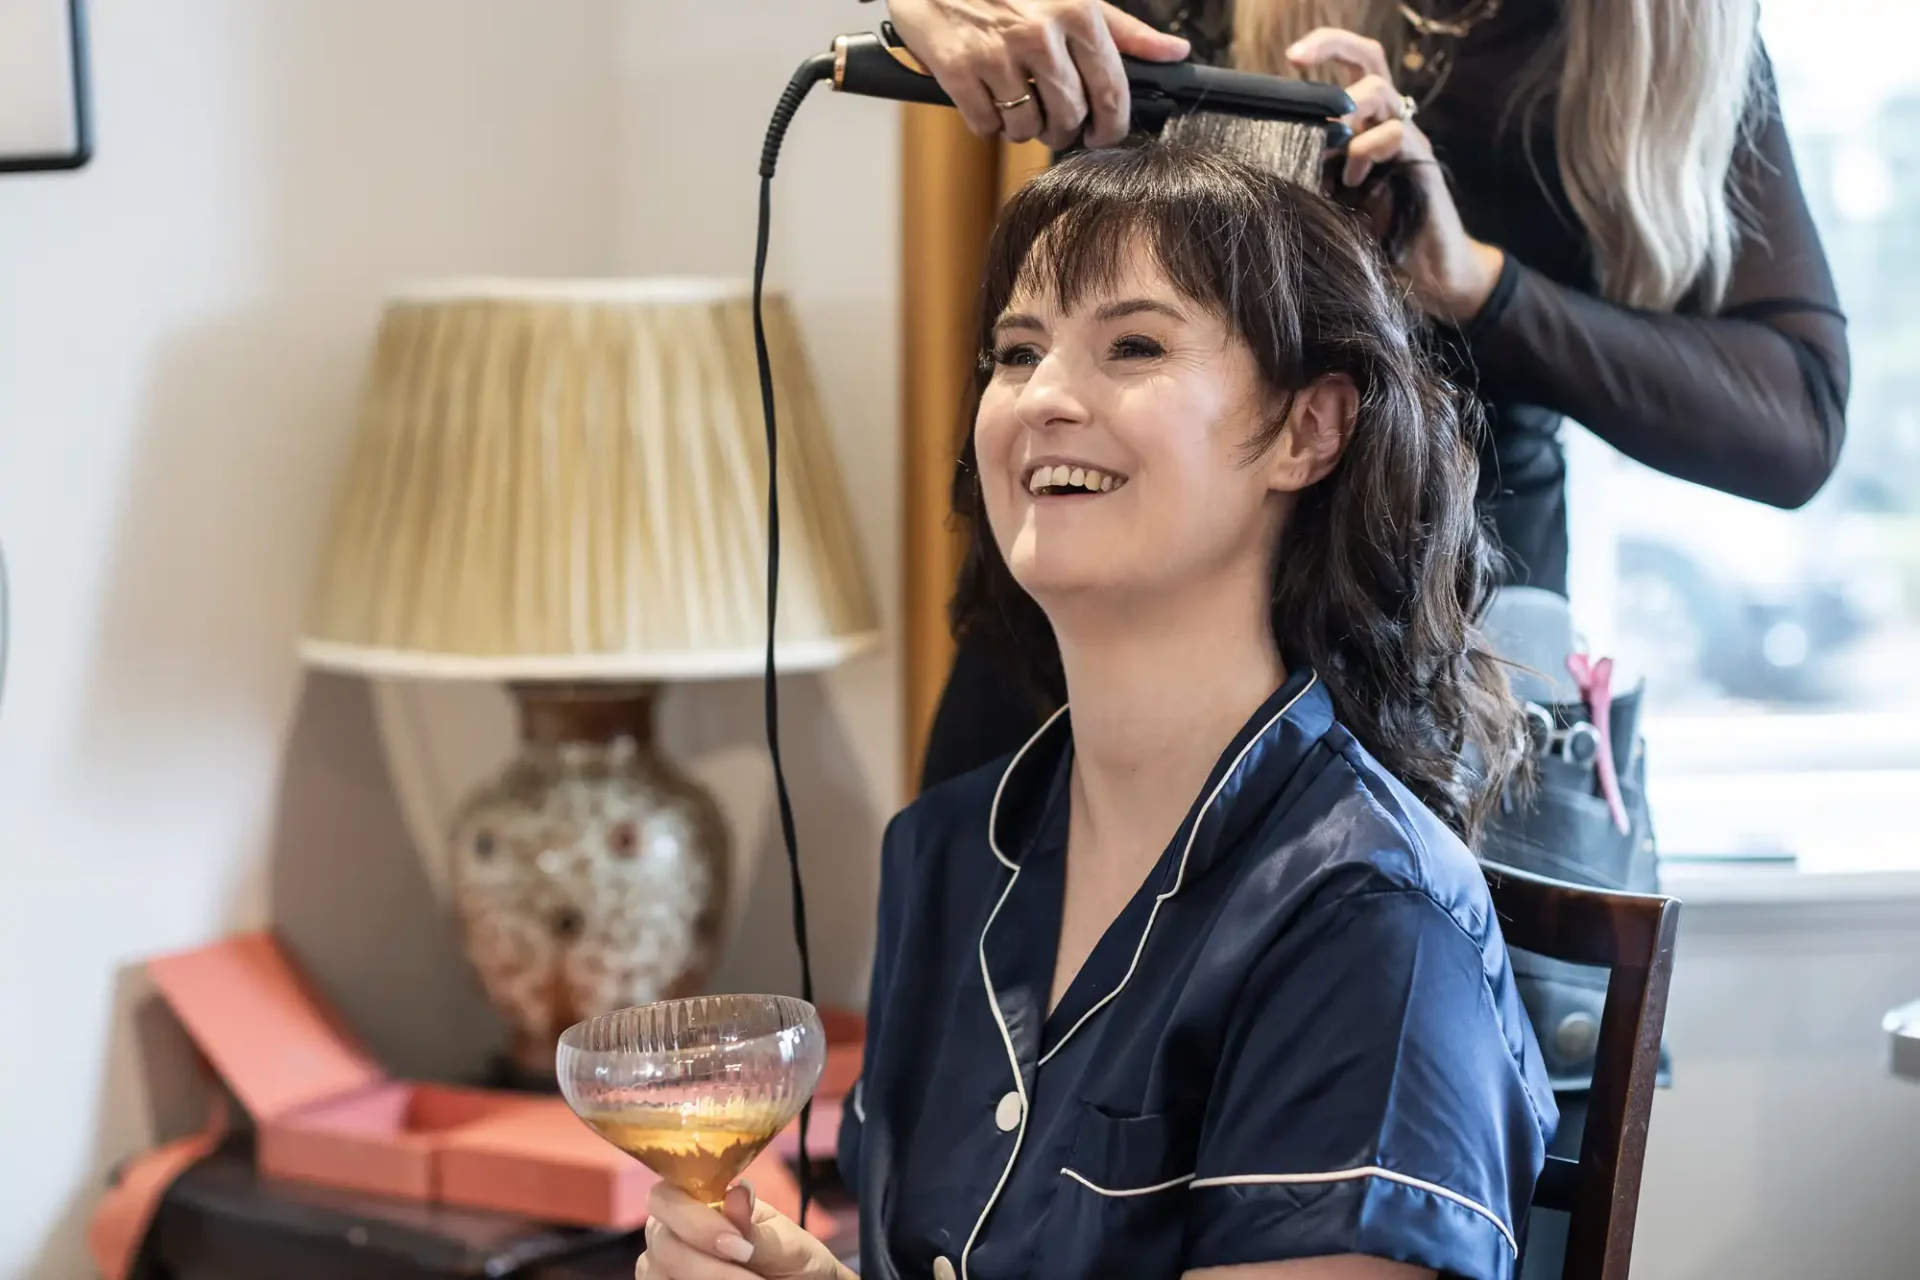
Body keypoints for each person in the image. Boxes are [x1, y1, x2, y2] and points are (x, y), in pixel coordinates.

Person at [637, 143, 1554, 1280]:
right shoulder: (945, 855)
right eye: (1017, 352)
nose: (1046, 398)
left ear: (1308, 430)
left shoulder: (1370, 923)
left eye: (1134, 345)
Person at [886, 0, 1850, 791]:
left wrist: (1479, 286)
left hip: (1440, 669)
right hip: (1106, 644)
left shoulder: (1672, 32)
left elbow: (1795, 415)